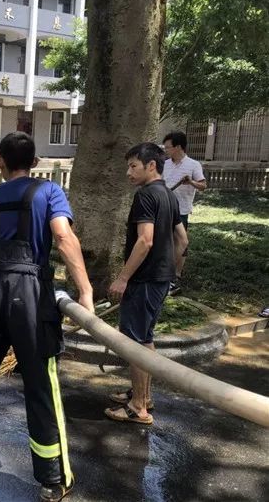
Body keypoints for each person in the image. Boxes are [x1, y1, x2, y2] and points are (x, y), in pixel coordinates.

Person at [0, 132, 94, 502]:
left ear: (0, 162)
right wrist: (86, 291)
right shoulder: (49, 192)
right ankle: (50, 478)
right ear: (36, 162)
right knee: (41, 385)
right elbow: (63, 237)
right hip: (28, 292)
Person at [106, 143, 188, 425]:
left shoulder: (145, 196)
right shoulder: (167, 194)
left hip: (143, 280)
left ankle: (138, 407)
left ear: (151, 165)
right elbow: (183, 240)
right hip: (161, 279)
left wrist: (123, 277)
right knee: (146, 338)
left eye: (133, 166)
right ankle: (144, 395)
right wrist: (171, 272)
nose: (128, 172)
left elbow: (145, 240)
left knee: (135, 342)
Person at [162, 131, 206, 294]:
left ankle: (175, 277)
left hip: (181, 210)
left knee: (181, 242)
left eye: (168, 147)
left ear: (178, 147)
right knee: (165, 242)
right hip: (164, 208)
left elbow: (203, 186)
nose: (166, 150)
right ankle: (164, 274)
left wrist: (191, 182)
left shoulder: (193, 165)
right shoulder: (165, 164)